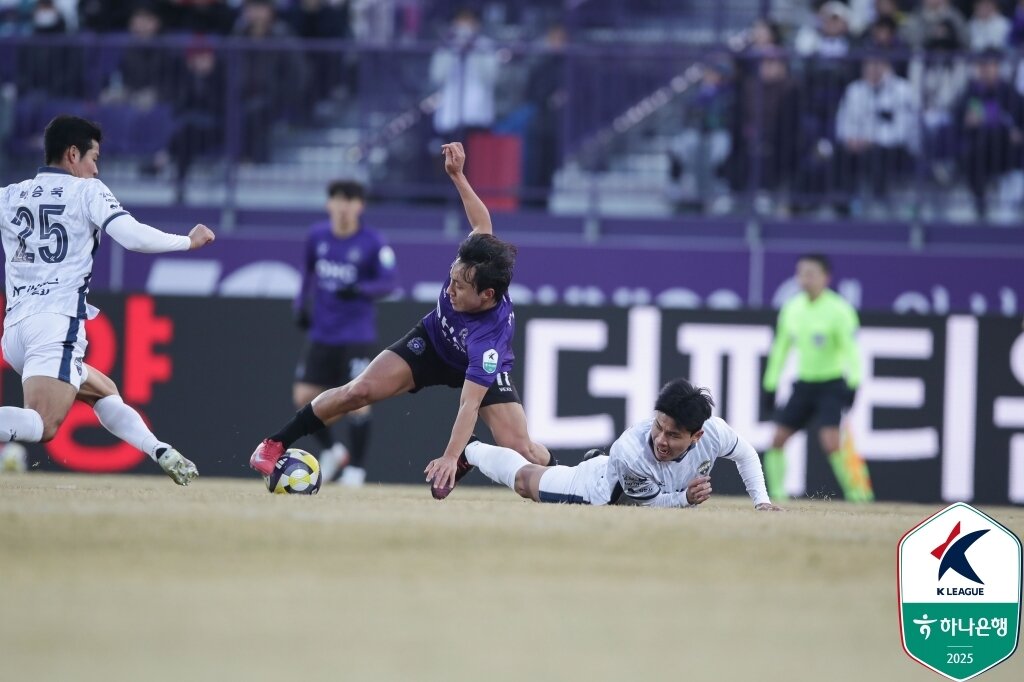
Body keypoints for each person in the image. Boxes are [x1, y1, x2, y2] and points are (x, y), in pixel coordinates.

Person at [250, 142, 554, 496]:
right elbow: (481, 221)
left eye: (460, 287)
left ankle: (566, 478)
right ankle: (273, 443)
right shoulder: (476, 256)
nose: (451, 289)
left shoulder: (489, 340)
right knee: (357, 390)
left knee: (523, 450)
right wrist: (457, 175)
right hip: (431, 343)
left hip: (473, 364)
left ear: (487, 295)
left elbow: (469, 403)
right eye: (451, 279)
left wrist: (450, 456)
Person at [0, 115, 216, 484]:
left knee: (103, 390)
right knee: (44, 425)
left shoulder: (9, 194)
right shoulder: (87, 192)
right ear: (72, 154)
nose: (96, 170)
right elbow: (133, 237)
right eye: (94, 158)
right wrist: (187, 241)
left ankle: (159, 449)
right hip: (56, 323)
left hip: (16, 330)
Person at [452, 378, 783, 511]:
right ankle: (472, 450)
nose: (661, 440)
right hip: (597, 491)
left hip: (624, 481)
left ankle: (581, 462)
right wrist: (684, 498)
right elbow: (650, 507)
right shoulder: (631, 451)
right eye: (659, 427)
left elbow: (747, 454)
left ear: (697, 435)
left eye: (673, 435)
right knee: (526, 482)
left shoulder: (714, 433)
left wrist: (762, 503)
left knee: (540, 465)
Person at [292, 180, 398, 487]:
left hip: (357, 334)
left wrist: (360, 289)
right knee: (303, 397)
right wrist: (300, 304)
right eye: (338, 200)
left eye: (350, 200)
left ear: (360, 206)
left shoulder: (373, 242)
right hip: (322, 332)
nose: (343, 207)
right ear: (329, 204)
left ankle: (357, 470)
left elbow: (389, 282)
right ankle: (334, 451)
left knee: (359, 400)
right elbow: (307, 272)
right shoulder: (316, 237)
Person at [761, 254, 872, 502]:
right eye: (801, 273)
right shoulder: (792, 309)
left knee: (832, 442)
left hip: (831, 384)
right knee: (778, 438)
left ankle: (860, 495)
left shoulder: (840, 310)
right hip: (804, 385)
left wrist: (853, 383)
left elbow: (852, 351)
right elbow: (780, 349)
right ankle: (777, 495)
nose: (804, 279)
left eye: (811, 274)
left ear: (826, 277)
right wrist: (770, 384)